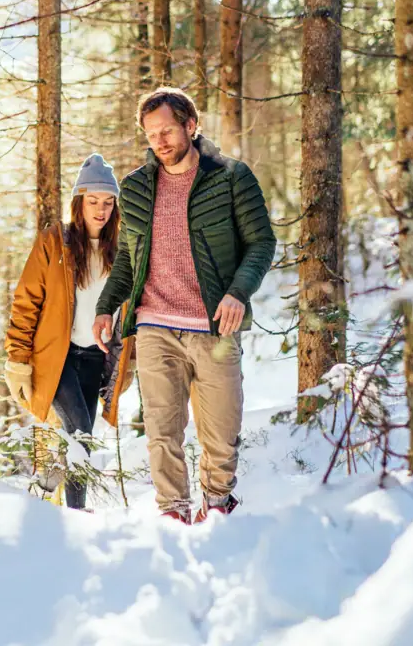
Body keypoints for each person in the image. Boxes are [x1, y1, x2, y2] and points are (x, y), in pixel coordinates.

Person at [93, 87, 276, 524]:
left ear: (190, 126)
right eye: (151, 133)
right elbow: (126, 259)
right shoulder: (136, 187)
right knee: (162, 429)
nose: (159, 141)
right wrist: (106, 305)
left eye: (167, 130)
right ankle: (172, 513)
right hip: (155, 326)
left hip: (213, 326)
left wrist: (237, 292)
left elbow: (261, 242)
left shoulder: (232, 177)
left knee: (221, 430)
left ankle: (217, 504)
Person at [4, 154, 135, 510]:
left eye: (108, 202)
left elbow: (131, 310)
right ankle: (76, 513)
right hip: (55, 357)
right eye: (93, 201)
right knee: (81, 430)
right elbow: (26, 300)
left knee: (74, 436)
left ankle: (43, 496)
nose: (101, 209)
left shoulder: (122, 248)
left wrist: (128, 362)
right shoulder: (54, 242)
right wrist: (17, 360)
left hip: (96, 357)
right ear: (79, 202)